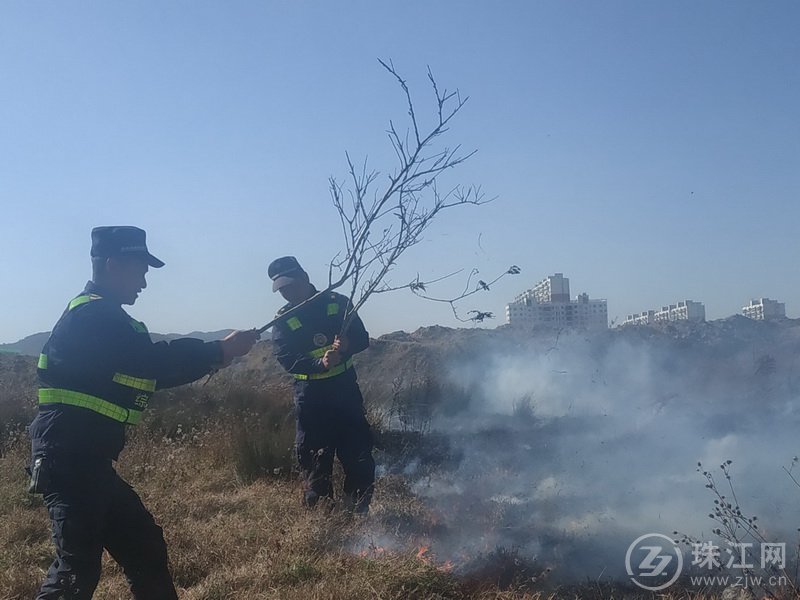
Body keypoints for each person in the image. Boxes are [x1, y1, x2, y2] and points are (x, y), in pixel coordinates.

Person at [28, 226, 259, 600]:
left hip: (88, 461)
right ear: (114, 264)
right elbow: (151, 361)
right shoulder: (94, 317)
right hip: (70, 460)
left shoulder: (103, 317)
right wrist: (218, 350)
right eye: (141, 271)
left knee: (145, 547)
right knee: (76, 571)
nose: (145, 283)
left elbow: (146, 371)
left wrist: (217, 357)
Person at [268, 256, 375, 513]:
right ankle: (322, 520)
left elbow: (362, 338)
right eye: (281, 289)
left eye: (290, 286)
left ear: (304, 277)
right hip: (311, 398)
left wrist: (348, 345)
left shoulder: (337, 303)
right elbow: (287, 358)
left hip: (345, 392)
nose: (286, 293)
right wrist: (319, 364)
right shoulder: (283, 319)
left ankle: (355, 513)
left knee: (358, 455)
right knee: (315, 461)